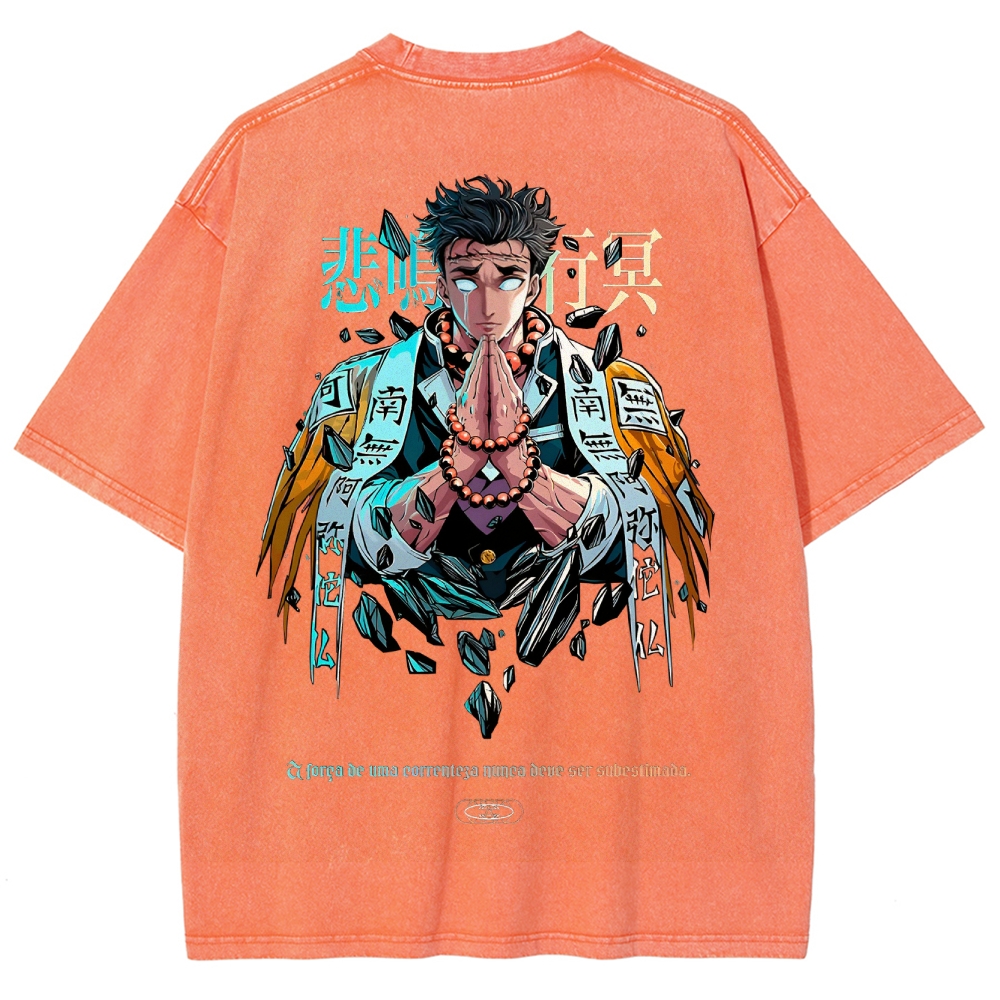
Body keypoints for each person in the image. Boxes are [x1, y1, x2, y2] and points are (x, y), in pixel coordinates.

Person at [259, 177, 712, 729]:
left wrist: (530, 476)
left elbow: (671, 538)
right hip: (389, 679)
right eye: (466, 278)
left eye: (509, 277)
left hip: (586, 691)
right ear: (441, 285)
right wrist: (452, 472)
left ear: (536, 284)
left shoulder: (615, 385)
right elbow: (309, 538)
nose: (487, 301)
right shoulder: (360, 385)